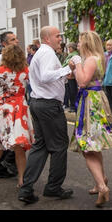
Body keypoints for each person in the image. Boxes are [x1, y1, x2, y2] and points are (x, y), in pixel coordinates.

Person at [18, 26, 74, 204]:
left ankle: (26, 189)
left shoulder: (41, 53)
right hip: (49, 106)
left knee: (40, 146)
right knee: (58, 146)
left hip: (38, 103)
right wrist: (67, 69)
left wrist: (65, 76)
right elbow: (45, 76)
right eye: (57, 36)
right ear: (47, 38)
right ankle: (53, 187)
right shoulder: (47, 53)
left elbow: (46, 79)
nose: (60, 38)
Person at [68, 31, 112, 207]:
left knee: (87, 146)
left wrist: (77, 64)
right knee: (94, 144)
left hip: (91, 102)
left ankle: (101, 185)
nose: (77, 44)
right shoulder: (99, 57)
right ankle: (102, 179)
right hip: (96, 99)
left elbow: (82, 82)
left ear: (86, 43)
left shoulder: (91, 59)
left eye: (79, 41)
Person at [0, 45, 34, 187]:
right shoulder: (25, 71)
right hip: (18, 108)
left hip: (2, 107)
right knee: (19, 146)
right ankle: (21, 179)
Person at [0, 31, 21, 180]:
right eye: (13, 39)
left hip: (14, 104)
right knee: (8, 135)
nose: (16, 41)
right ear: (4, 44)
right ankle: (1, 167)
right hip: (8, 104)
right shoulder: (0, 59)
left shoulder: (19, 59)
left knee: (11, 134)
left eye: (16, 39)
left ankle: (1, 166)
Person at [63, 42, 79, 112]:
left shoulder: (75, 55)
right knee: (69, 91)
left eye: (69, 47)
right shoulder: (70, 55)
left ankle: (74, 106)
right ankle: (72, 106)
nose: (68, 49)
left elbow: (74, 65)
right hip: (68, 75)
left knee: (73, 92)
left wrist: (72, 73)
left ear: (73, 48)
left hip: (72, 75)